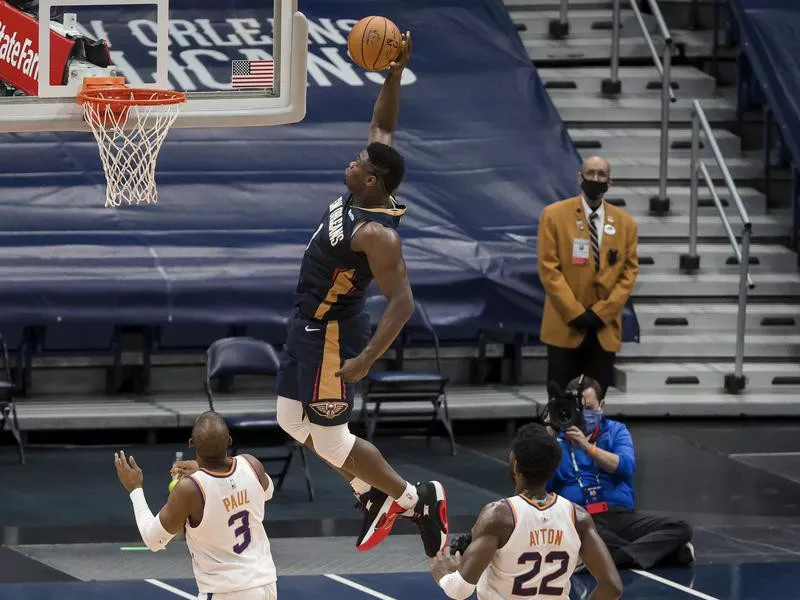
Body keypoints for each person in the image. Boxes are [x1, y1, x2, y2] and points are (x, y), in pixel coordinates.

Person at [272, 30, 448, 558]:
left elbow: (403, 303)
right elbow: (383, 126)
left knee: (329, 437)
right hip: (306, 322)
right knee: (288, 418)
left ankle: (414, 498)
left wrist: (367, 359)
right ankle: (367, 489)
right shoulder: (373, 176)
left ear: (372, 183)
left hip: (332, 333)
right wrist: (393, 73)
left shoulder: (376, 233)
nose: (350, 162)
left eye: (357, 164)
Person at [430, 423, 623, 600]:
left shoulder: (499, 516)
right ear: (554, 469)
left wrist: (445, 573)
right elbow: (612, 587)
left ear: (515, 464)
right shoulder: (578, 517)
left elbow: (459, 590)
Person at [114, 411, 278, 600]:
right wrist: (204, 470)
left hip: (225, 592)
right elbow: (267, 492)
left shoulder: (190, 489)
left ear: (191, 443)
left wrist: (135, 489)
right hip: (266, 585)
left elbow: (153, 540)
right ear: (230, 440)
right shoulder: (252, 464)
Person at [546, 376, 695, 570]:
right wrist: (547, 442)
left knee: (681, 528)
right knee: (581, 534)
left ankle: (610, 557)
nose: (584, 415)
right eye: (580, 410)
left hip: (618, 515)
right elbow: (544, 487)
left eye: (590, 409)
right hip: (580, 517)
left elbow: (625, 467)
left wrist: (586, 446)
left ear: (602, 406)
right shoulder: (555, 440)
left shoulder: (616, 431)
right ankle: (664, 553)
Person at [537, 155, 639, 396]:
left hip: (603, 329)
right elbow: (548, 268)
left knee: (595, 409)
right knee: (561, 402)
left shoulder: (626, 224)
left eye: (601, 174)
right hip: (565, 325)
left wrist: (600, 313)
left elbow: (629, 273)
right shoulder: (553, 215)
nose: (595, 179)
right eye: (590, 173)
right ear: (579, 177)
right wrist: (575, 312)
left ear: (609, 181)